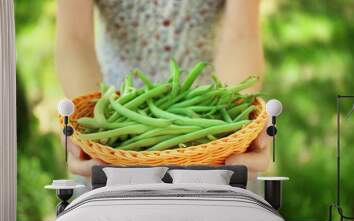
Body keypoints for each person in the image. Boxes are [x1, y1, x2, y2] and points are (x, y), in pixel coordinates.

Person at [56, 0, 270, 179]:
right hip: (116, 114)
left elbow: (241, 34)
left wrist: (237, 130)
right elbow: (76, 38)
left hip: (206, 121)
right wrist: (89, 130)